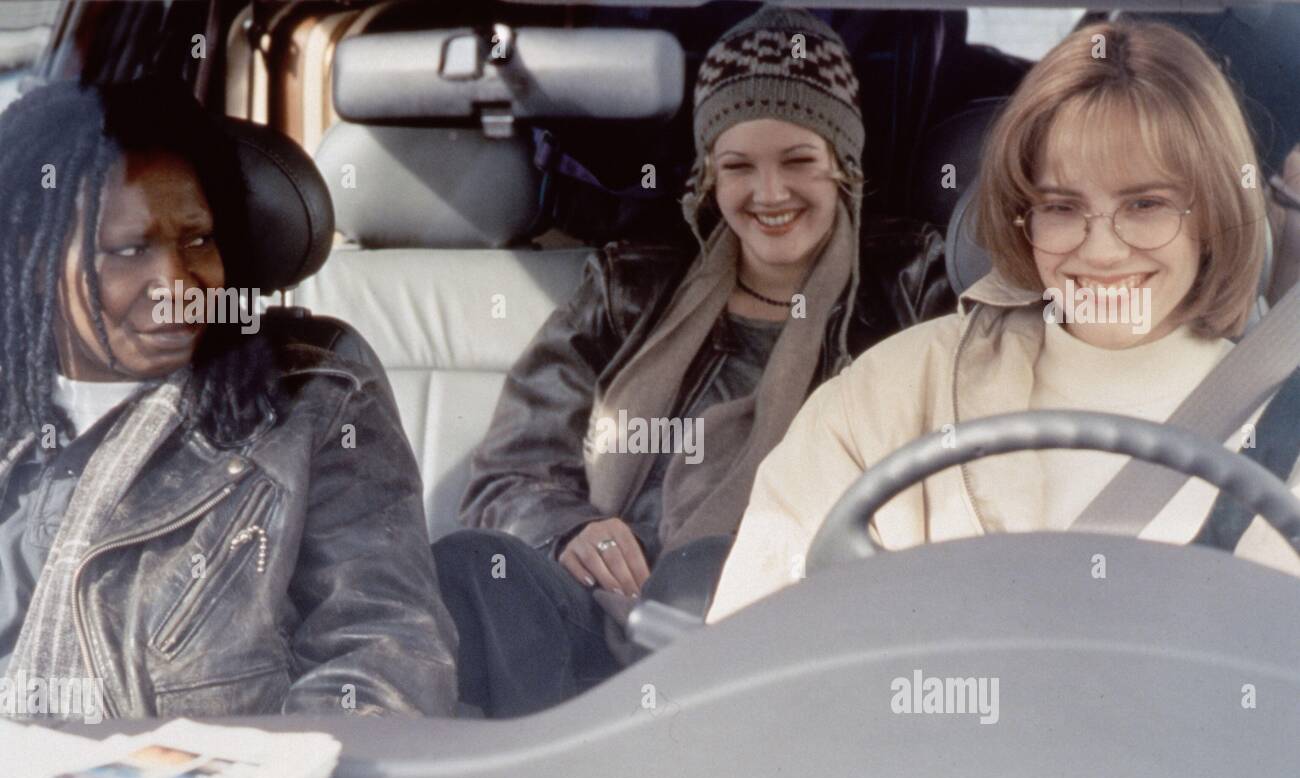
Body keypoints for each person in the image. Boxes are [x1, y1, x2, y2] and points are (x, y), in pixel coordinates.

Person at [434, 5, 954, 717]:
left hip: (786, 629)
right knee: (466, 567)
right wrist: (566, 528)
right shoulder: (630, 287)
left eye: (799, 160)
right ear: (710, 176)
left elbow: (940, 481)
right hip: (597, 618)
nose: (769, 194)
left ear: (844, 166)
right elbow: (507, 473)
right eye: (738, 166)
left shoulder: (910, 288)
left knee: (698, 571)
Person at [709, 20, 1297, 622]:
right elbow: (749, 646)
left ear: (1215, 215)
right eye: (1062, 208)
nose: (1101, 251)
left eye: (1145, 205)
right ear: (1023, 217)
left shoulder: (1284, 427)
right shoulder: (888, 394)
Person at [0, 78, 457, 719]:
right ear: (35, 257)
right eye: (129, 250)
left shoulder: (305, 402)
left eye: (198, 241)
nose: (178, 285)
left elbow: (383, 660)